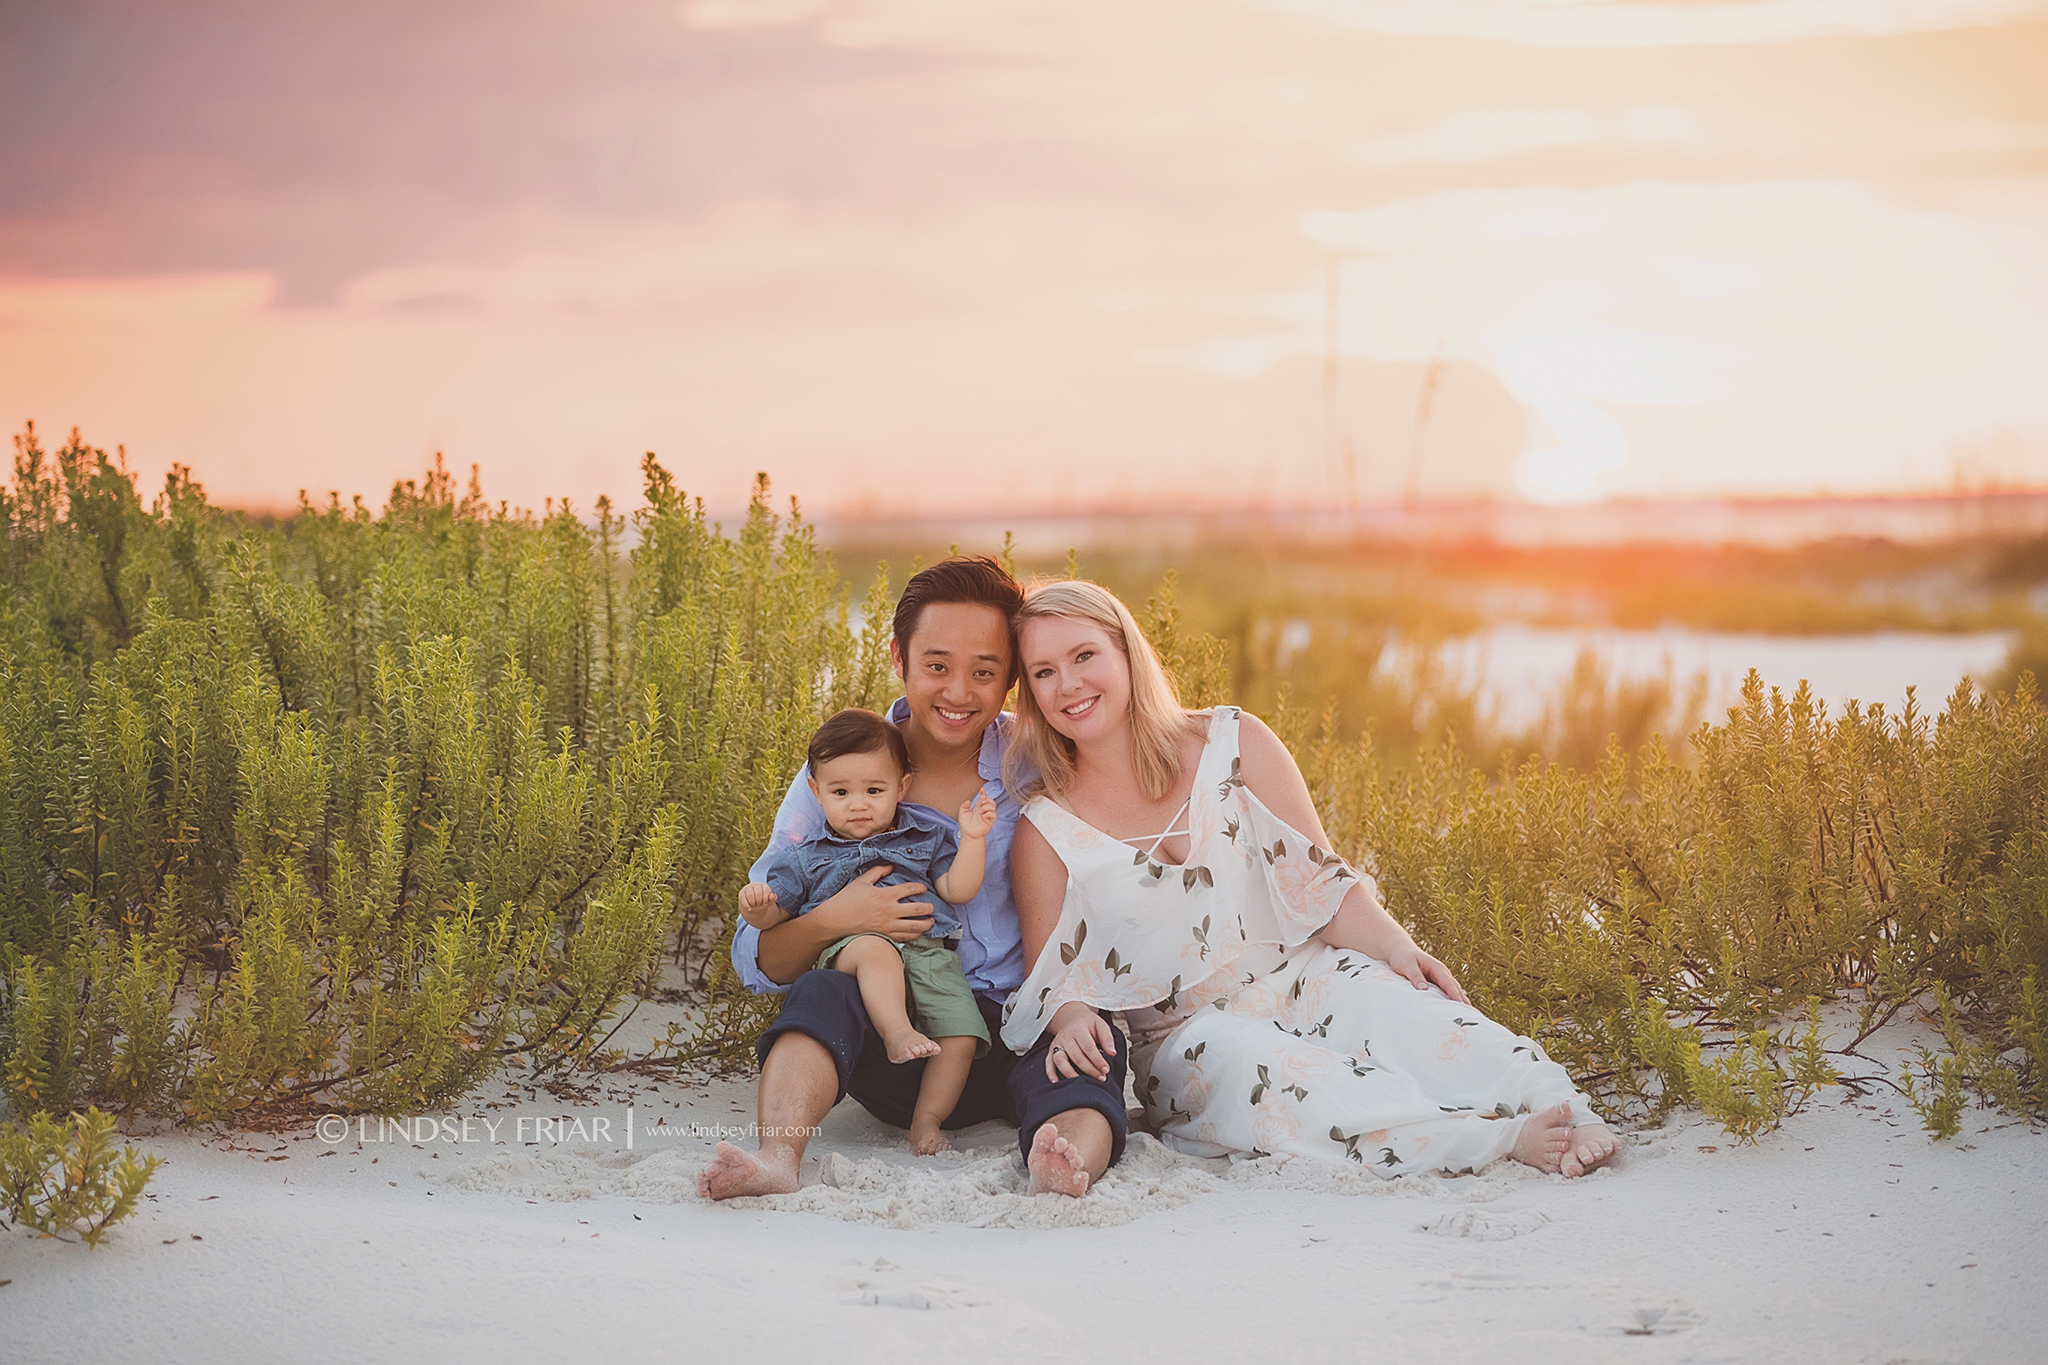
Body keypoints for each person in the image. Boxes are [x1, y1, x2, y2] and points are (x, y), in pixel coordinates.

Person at [1000, 579, 1622, 1182]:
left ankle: (1562, 1109)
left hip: (1307, 973)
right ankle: (1499, 1141)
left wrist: (1396, 946)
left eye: (1085, 656)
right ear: (1028, 692)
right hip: (1192, 1039)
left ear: (1126, 653)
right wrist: (1074, 1017)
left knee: (1413, 1014)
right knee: (1293, 1081)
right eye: (1044, 672)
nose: (1069, 684)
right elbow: (1053, 976)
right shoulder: (1048, 827)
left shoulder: (1232, 742)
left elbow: (1322, 885)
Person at [697, 556, 1129, 1201]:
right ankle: (776, 1158)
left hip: (1019, 1023)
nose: (958, 692)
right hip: (900, 1040)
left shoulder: (1041, 764)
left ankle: (1063, 1166)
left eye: (984, 671)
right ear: (899, 657)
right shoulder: (847, 774)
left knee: (1091, 1049)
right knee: (819, 993)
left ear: (1011, 677)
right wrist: (840, 919)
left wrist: (1075, 1005)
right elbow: (759, 961)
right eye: (937, 665)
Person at [737, 707, 999, 1155]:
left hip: (931, 954)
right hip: (853, 948)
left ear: (902, 787)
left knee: (962, 1033)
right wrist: (760, 910)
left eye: (874, 790)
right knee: (876, 950)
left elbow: (957, 888)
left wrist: (972, 840)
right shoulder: (807, 856)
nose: (858, 804)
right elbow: (777, 913)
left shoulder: (922, 839)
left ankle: (927, 1121)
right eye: (840, 792)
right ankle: (897, 1031)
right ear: (816, 793)